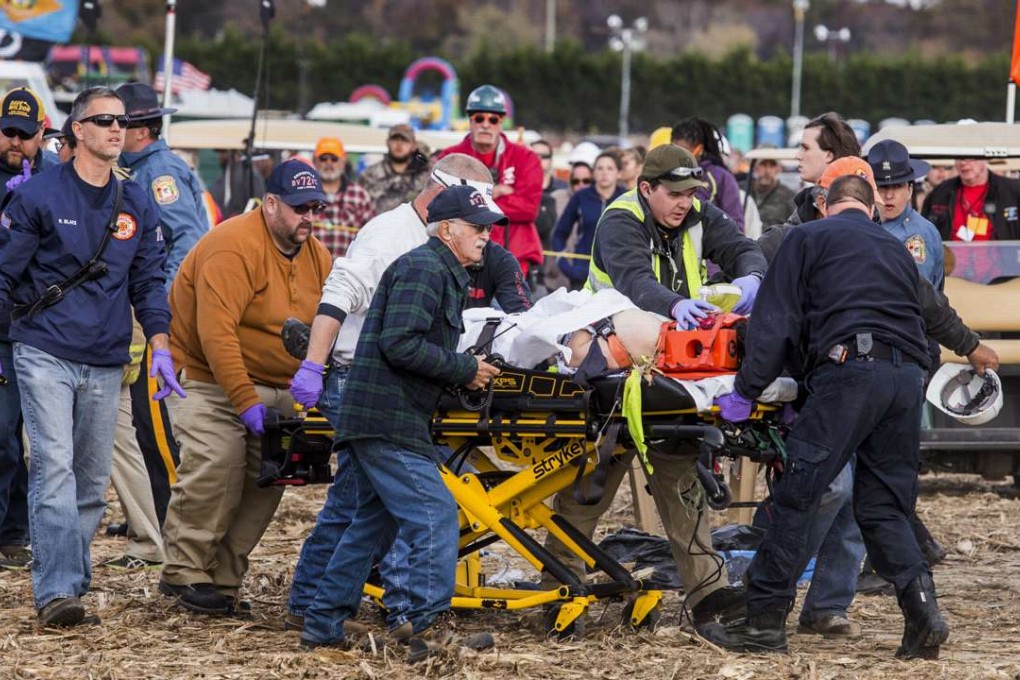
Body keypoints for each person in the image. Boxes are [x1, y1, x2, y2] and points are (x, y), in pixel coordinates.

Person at [706, 174, 950, 660]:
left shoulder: (806, 237)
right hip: (906, 381)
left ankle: (764, 622)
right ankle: (924, 614)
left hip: (850, 372)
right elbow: (934, 312)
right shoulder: (897, 248)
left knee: (798, 494)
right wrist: (971, 347)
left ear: (825, 205)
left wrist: (746, 390)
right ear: (872, 209)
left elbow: (775, 321)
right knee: (884, 507)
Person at [285, 153, 529, 634]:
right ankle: (417, 621)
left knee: (368, 517)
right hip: (374, 395)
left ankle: (320, 617)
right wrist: (314, 364)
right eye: (478, 224)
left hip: (381, 399)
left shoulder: (440, 261)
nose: (487, 234)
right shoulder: (409, 253)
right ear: (446, 218)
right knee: (431, 512)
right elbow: (391, 334)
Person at [543, 144, 766, 632]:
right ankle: (556, 582)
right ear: (646, 189)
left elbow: (744, 248)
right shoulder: (620, 220)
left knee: (680, 478)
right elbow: (635, 282)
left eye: (691, 192)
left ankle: (707, 593)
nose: (685, 202)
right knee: (591, 484)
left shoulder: (699, 215)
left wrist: (751, 276)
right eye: (675, 193)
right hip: (612, 367)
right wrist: (675, 306)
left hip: (670, 371)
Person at [0, 86, 182, 626]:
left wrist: (162, 346)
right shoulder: (37, 196)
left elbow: (149, 281)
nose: (116, 129)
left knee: (90, 479)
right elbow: (4, 276)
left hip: (106, 359)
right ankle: (55, 591)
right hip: (43, 350)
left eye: (121, 122)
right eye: (104, 120)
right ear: (77, 130)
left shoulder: (137, 200)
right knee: (53, 469)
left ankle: (72, 582)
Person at [158, 159, 332, 616]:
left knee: (269, 479)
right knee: (217, 463)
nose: (308, 217)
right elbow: (216, 334)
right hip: (208, 377)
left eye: (315, 206)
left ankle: (224, 579)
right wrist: (245, 400)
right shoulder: (232, 246)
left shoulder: (318, 256)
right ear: (270, 204)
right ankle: (184, 572)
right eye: (299, 208)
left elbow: (328, 323)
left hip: (279, 384)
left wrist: (314, 376)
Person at [101, 83, 212, 570]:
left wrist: (159, 306)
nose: (113, 132)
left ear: (140, 130)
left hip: (158, 319)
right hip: (151, 315)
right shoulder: (140, 170)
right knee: (147, 426)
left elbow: (186, 240)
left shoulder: (158, 173)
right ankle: (159, 520)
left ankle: (172, 526)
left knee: (157, 427)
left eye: (120, 124)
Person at [0, 88, 59, 570]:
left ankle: (14, 532)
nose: (14, 142)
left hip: (40, 324)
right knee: (1, 433)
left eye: (24, 133)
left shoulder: (57, 181)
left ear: (43, 133)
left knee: (30, 439)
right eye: (7, 132)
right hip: (3, 325)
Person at [438, 84, 543, 275]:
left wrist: (472, 199)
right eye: (479, 118)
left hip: (513, 260)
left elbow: (529, 209)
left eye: (492, 119)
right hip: (459, 260)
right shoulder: (450, 158)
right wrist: (494, 193)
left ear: (501, 121)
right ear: (470, 120)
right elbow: (442, 205)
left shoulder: (526, 158)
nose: (485, 124)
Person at [757, 111, 861, 263]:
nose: (797, 156)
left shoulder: (869, 211)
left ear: (829, 155)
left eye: (805, 148)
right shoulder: (807, 204)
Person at [551, 151, 624, 289]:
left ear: (618, 173)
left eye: (610, 168)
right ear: (593, 173)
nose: (604, 173)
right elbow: (559, 234)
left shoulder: (626, 198)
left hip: (617, 276)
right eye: (600, 168)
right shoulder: (580, 197)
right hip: (582, 274)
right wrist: (566, 265)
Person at [671, 117, 745, 231]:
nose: (679, 160)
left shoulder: (721, 177)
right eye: (674, 153)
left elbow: (736, 226)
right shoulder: (665, 173)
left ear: (699, 149)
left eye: (684, 155)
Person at [311, 136, 376, 258]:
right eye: (323, 159)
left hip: (348, 273)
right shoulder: (306, 194)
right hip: (311, 271)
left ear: (343, 161)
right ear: (315, 161)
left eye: (334, 159)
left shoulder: (360, 195)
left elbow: (372, 237)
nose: (329, 164)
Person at [358, 124, 429, 214]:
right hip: (377, 226)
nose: (399, 144)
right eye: (395, 139)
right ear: (387, 142)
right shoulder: (369, 175)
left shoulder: (425, 177)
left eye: (404, 140)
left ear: (414, 146)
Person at [210, 148, 265, 219]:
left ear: (234, 153)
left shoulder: (248, 174)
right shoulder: (226, 174)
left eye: (223, 152)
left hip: (241, 223)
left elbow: (257, 201)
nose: (220, 156)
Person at [749, 155, 795, 228]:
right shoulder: (744, 191)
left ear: (778, 169)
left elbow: (794, 224)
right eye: (763, 165)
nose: (767, 171)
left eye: (772, 166)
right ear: (755, 168)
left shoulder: (788, 195)